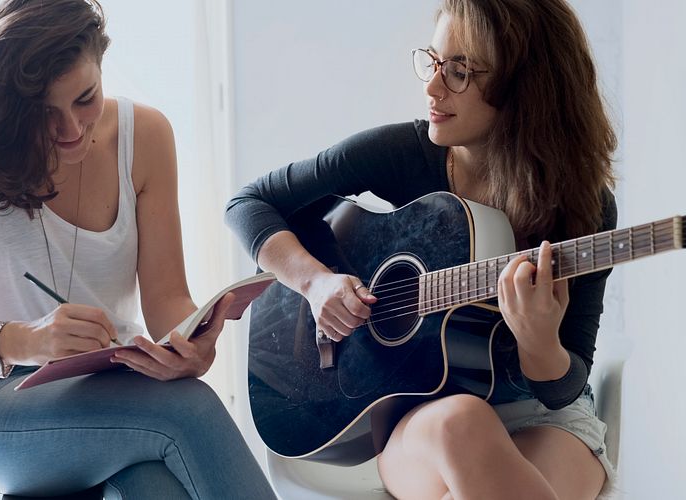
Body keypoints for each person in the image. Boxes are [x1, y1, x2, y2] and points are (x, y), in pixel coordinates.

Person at [225, 0, 617, 498]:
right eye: (433, 62)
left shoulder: (583, 205)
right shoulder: (402, 155)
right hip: (423, 418)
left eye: (459, 71)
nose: (432, 87)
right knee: (463, 422)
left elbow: (563, 387)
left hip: (542, 415)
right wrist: (315, 281)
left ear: (526, 86)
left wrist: (539, 341)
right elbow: (249, 203)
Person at [0, 1, 275, 498]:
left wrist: (192, 346)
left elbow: (166, 302)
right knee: (189, 409)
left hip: (115, 388)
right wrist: (26, 339)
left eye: (85, 98)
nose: (70, 131)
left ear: (102, 65)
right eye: (45, 114)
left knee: (156, 486)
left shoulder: (146, 137)